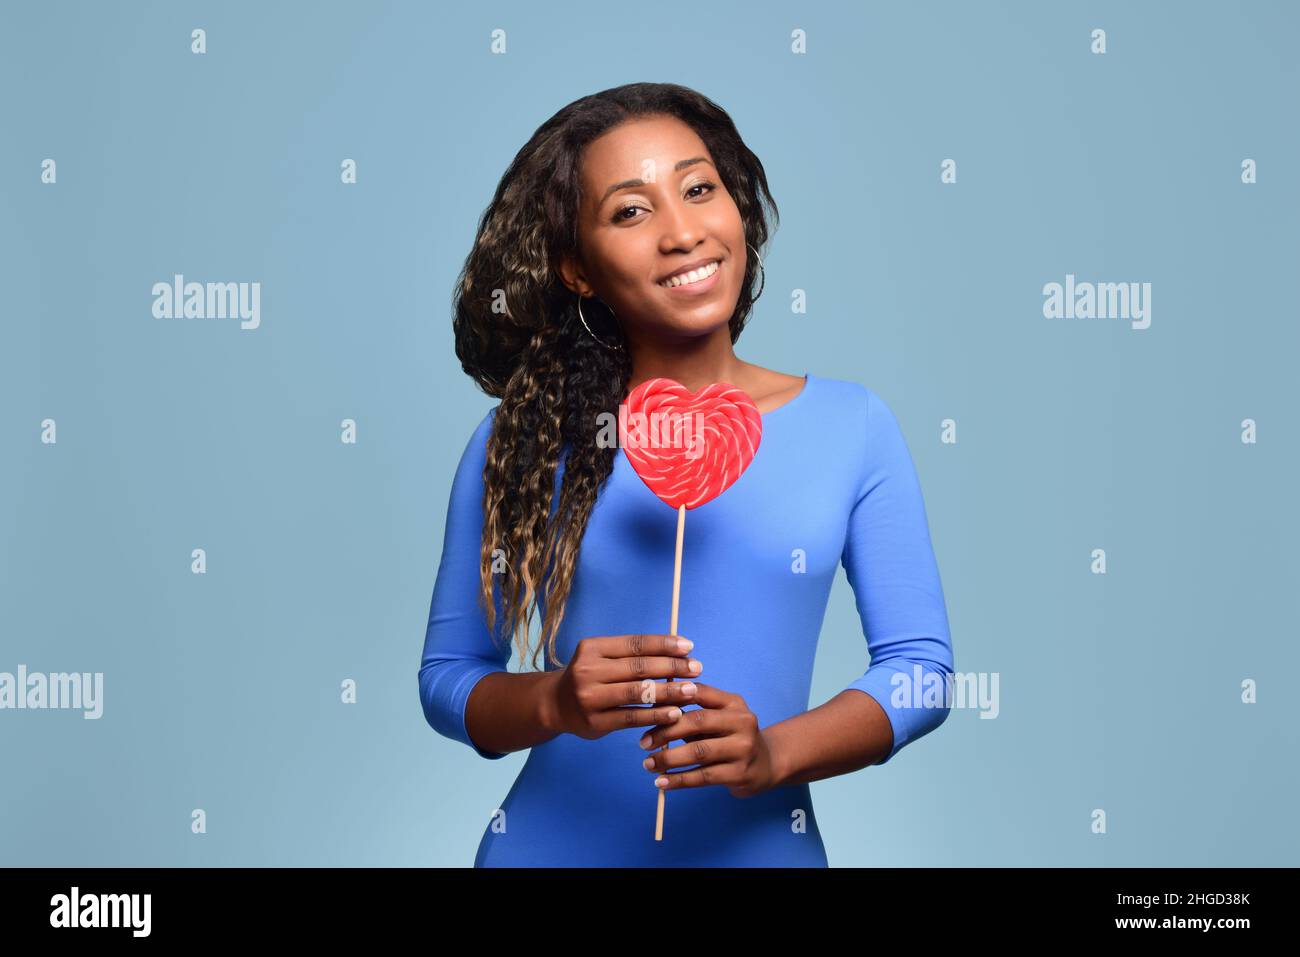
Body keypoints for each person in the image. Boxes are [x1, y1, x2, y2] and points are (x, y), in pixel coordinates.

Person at [419, 82, 954, 867]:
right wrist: (553, 700)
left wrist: (774, 753)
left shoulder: (853, 425)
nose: (682, 233)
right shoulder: (523, 437)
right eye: (630, 211)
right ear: (577, 267)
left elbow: (923, 674)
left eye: (699, 190)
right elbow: (448, 679)